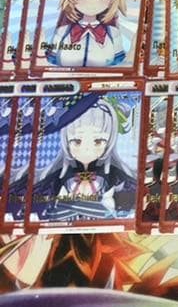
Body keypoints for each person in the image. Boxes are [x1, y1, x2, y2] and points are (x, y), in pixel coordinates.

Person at [29, 94, 137, 222]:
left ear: (110, 141)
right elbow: (45, 210)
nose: (86, 149)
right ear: (66, 140)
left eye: (98, 141)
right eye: (77, 141)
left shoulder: (117, 177)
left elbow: (121, 211)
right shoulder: (56, 178)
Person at [46, 0, 130, 67]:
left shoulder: (113, 33)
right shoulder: (63, 31)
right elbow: (51, 61)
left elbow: (118, 63)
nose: (92, 3)